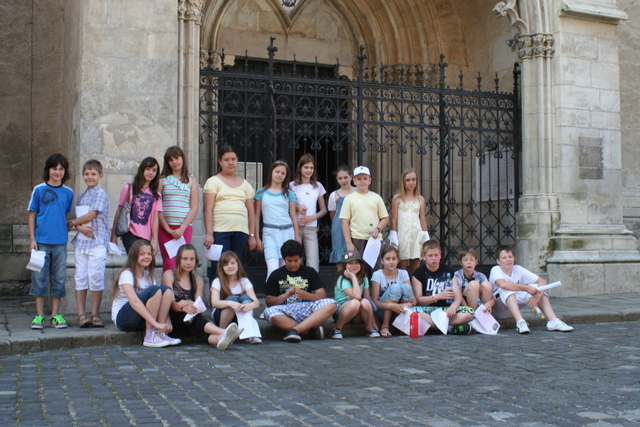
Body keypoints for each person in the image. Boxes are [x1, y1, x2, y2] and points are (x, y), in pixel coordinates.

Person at [162, 245, 243, 350]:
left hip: (190, 319)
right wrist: (183, 307)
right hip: (173, 319)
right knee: (194, 319)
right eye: (185, 259)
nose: (188, 262)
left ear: (196, 261)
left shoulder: (198, 280)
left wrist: (188, 304)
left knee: (195, 326)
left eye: (192, 259)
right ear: (178, 260)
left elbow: (199, 305)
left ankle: (219, 339)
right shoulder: (169, 275)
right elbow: (169, 302)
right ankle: (224, 332)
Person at [28, 153, 74, 329]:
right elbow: (32, 215)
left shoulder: (68, 192)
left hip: (60, 243)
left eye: (61, 169)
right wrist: (32, 240)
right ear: (48, 170)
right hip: (40, 242)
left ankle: (55, 315)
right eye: (54, 168)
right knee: (38, 277)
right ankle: (39, 315)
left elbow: (64, 216)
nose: (57, 172)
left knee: (59, 278)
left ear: (65, 171)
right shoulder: (39, 190)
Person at [262, 240, 336, 342]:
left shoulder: (310, 271)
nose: (293, 264)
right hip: (285, 310)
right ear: (284, 259)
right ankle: (309, 332)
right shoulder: (276, 274)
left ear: (301, 258)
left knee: (331, 303)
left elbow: (322, 295)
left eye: (296, 260)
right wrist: (285, 295)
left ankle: (295, 330)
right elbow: (269, 302)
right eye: (289, 261)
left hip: (307, 308)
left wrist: (306, 295)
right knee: (269, 312)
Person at [489, 245, 574, 334]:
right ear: (498, 261)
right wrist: (526, 288)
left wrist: (537, 296)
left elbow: (542, 281)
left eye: (510, 257)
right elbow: (503, 284)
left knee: (537, 288)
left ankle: (553, 321)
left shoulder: (517, 269)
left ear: (514, 258)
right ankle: (520, 322)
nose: (508, 260)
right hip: (498, 308)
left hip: (514, 305)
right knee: (507, 289)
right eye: (504, 258)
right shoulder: (495, 269)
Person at [111, 239, 180, 348]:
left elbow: (160, 301)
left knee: (166, 290)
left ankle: (160, 333)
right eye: (142, 254)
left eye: (149, 254)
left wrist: (167, 322)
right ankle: (149, 336)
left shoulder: (148, 275)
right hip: (124, 320)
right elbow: (134, 302)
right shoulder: (127, 274)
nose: (146, 256)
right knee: (154, 290)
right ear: (134, 256)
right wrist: (155, 323)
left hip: (142, 319)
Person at [203, 145, 257, 281]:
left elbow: (251, 212)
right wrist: (209, 233)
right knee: (219, 266)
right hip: (220, 231)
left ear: (237, 160)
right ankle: (216, 293)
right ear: (220, 161)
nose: (230, 163)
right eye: (226, 160)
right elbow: (208, 208)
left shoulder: (246, 184)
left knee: (235, 266)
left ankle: (232, 292)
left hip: (241, 232)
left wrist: (252, 235)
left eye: (233, 159)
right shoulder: (213, 181)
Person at [70, 159, 109, 328]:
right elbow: (79, 218)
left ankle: (95, 313)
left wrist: (72, 223)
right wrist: (78, 227)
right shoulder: (82, 196)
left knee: (96, 277)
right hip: (82, 242)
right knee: (80, 277)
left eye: (93, 174)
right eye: (87, 174)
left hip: (96, 241)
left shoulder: (100, 194)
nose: (90, 177)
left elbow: (90, 215)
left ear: (100, 176)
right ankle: (81, 314)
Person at [411, 240, 474, 334]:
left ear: (440, 255)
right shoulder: (418, 274)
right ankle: (450, 329)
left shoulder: (448, 271)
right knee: (414, 314)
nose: (434, 258)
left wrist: (453, 307)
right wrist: (438, 296)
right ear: (423, 256)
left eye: (436, 255)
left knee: (468, 315)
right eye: (430, 255)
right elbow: (419, 300)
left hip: (446, 310)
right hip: (428, 310)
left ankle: (433, 327)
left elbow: (457, 295)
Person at [340, 166, 389, 275]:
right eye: (359, 178)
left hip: (374, 239)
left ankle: (375, 287)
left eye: (365, 178)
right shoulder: (349, 199)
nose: (362, 181)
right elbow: (344, 221)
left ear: (370, 180)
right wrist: (349, 243)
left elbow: (385, 218)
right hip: (357, 238)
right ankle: (360, 287)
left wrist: (378, 229)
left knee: (377, 268)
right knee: (359, 268)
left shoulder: (376, 198)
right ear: (354, 180)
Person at [255, 160, 299, 279]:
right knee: (273, 269)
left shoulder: (289, 194)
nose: (279, 175)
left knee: (286, 269)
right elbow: (257, 216)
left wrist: (297, 238)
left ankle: (285, 291)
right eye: (277, 172)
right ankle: (271, 291)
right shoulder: (261, 192)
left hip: (287, 232)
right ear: (271, 172)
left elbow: (293, 217)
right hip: (270, 233)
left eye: (283, 173)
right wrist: (256, 237)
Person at [111, 157, 163, 255]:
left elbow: (155, 219)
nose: (151, 172)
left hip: (146, 236)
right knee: (135, 259)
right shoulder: (128, 188)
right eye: (148, 169)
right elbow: (119, 210)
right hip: (129, 232)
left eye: (154, 170)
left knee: (141, 261)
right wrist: (113, 234)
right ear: (142, 169)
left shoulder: (156, 195)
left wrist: (155, 242)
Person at [158, 146, 198, 272]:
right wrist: (167, 228)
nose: (174, 162)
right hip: (165, 229)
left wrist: (182, 228)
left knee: (182, 263)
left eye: (177, 158)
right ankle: (168, 285)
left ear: (182, 158)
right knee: (169, 263)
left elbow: (194, 207)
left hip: (184, 229)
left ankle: (181, 286)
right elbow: (157, 207)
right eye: (171, 160)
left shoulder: (191, 180)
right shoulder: (162, 180)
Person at [209, 251, 262, 344]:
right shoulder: (218, 281)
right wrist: (230, 303)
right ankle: (223, 333)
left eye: (232, 263)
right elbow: (214, 302)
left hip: (240, 316)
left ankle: (249, 334)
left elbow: (256, 302)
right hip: (222, 316)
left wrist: (250, 305)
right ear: (221, 268)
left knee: (245, 299)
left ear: (238, 264)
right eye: (226, 264)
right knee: (232, 299)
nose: (230, 266)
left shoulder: (244, 281)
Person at [289, 153, 327, 271]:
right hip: (295, 227)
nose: (309, 170)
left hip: (311, 227)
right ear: (300, 168)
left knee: (313, 260)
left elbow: (324, 210)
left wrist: (312, 217)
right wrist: (297, 208)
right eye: (306, 167)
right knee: (296, 258)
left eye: (311, 167)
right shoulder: (292, 185)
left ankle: (312, 282)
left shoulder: (317, 186)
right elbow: (287, 206)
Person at [330, 250, 379, 339]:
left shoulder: (363, 277)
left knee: (365, 302)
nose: (354, 266)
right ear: (344, 266)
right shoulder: (342, 279)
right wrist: (353, 277)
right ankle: (336, 328)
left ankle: (369, 328)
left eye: (357, 262)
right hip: (342, 311)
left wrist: (374, 322)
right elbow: (357, 296)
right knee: (355, 302)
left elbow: (368, 300)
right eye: (350, 263)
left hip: (357, 314)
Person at [389, 168, 429, 275]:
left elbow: (422, 218)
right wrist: (393, 234)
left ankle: (414, 284)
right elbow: (393, 219)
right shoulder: (397, 198)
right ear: (403, 182)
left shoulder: (420, 199)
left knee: (415, 267)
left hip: (416, 235)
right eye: (408, 180)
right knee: (401, 267)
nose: (411, 183)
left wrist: (425, 235)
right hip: (403, 235)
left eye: (413, 179)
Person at [370, 246, 416, 337]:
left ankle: (403, 324)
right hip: (383, 310)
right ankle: (385, 326)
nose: (391, 262)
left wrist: (404, 305)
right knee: (395, 288)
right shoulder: (377, 275)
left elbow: (413, 300)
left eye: (394, 259)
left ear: (398, 260)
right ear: (382, 261)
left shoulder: (403, 273)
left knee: (406, 287)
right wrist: (391, 306)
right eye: (388, 259)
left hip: (400, 309)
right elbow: (374, 302)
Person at [328, 165, 356, 269]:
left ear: (351, 177)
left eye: (345, 177)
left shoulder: (357, 191)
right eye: (340, 178)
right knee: (340, 257)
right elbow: (333, 213)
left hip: (355, 225)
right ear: (337, 179)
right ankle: (341, 278)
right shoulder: (334, 195)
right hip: (339, 228)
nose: (343, 181)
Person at [453, 248, 495, 312]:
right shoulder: (456, 275)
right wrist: (467, 310)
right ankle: (474, 314)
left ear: (476, 262)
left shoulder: (481, 276)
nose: (469, 262)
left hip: (480, 301)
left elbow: (491, 295)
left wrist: (489, 304)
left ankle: (483, 312)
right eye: (465, 260)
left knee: (487, 285)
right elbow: (458, 294)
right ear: (461, 263)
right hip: (464, 304)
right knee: (474, 284)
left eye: (471, 260)